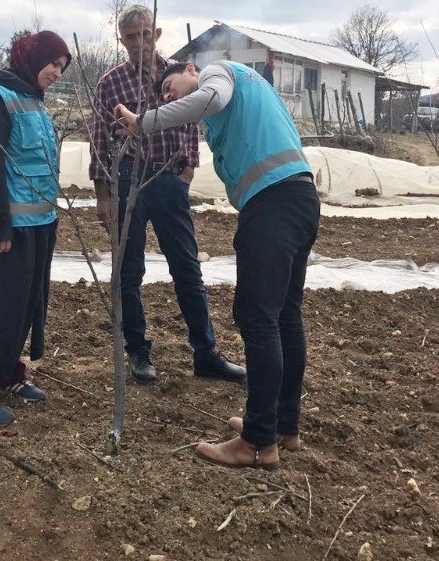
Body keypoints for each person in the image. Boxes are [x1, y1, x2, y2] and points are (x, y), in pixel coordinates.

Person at [114, 59, 319, 469]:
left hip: (274, 205)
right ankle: (281, 424)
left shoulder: (219, 74)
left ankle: (258, 442)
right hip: (299, 199)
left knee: (258, 318)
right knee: (284, 317)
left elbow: (210, 97)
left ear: (190, 68)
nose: (169, 96)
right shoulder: (245, 100)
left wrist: (144, 122)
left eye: (169, 87)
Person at [90, 5, 246, 386]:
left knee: (187, 267)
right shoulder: (110, 83)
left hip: (170, 179)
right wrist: (104, 195)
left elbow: (192, 122)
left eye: (145, 34)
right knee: (129, 271)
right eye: (130, 37)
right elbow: (98, 140)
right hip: (129, 180)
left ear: (156, 33)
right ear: (121, 40)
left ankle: (206, 353)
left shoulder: (177, 71)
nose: (139, 43)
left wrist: (188, 170)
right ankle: (138, 352)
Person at [0, 30, 71, 426]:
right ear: (33, 57)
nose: (57, 73)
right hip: (9, 228)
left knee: (26, 303)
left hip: (39, 221)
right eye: (53, 63)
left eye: (62, 67)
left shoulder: (33, 100)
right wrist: (0, 227)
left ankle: (7, 371)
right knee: (0, 306)